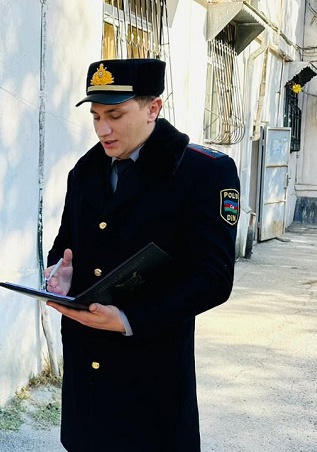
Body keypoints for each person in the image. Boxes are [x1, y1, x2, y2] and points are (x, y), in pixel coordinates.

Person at [44, 59, 240, 451]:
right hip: (86, 368)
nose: (102, 129)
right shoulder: (86, 170)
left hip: (151, 372)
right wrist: (60, 273)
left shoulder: (204, 172)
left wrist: (130, 319)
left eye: (115, 115)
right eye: (96, 116)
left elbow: (213, 278)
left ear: (153, 108)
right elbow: (66, 243)